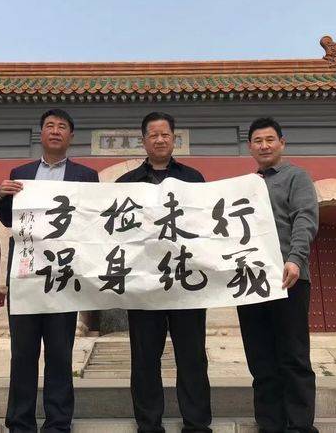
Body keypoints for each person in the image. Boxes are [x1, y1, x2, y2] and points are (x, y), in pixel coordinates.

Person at [0, 108, 99, 433]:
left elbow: (93, 221)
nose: (55, 131)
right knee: (22, 354)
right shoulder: (21, 173)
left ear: (71, 136)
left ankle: (58, 422)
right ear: (40, 133)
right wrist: (0, 196)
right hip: (26, 275)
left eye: (62, 126)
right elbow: (10, 219)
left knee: (60, 354)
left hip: (63, 278)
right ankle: (19, 422)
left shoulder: (86, 176)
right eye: (50, 126)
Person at [117, 111, 212, 433]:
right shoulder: (126, 184)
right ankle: (148, 424)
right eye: (153, 135)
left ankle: (197, 424)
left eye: (165, 134)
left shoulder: (193, 179)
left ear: (174, 139)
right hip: (144, 287)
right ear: (143, 141)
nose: (159, 140)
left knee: (192, 357)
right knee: (145, 358)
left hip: (187, 283)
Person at [238, 117, 319, 433]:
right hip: (250, 282)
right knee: (260, 357)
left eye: (270, 139)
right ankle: (269, 423)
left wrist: (295, 259)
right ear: (250, 147)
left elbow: (305, 218)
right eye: (258, 141)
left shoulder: (296, 177)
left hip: (288, 278)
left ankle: (299, 425)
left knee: (293, 355)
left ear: (282, 143)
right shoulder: (243, 186)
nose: (264, 146)